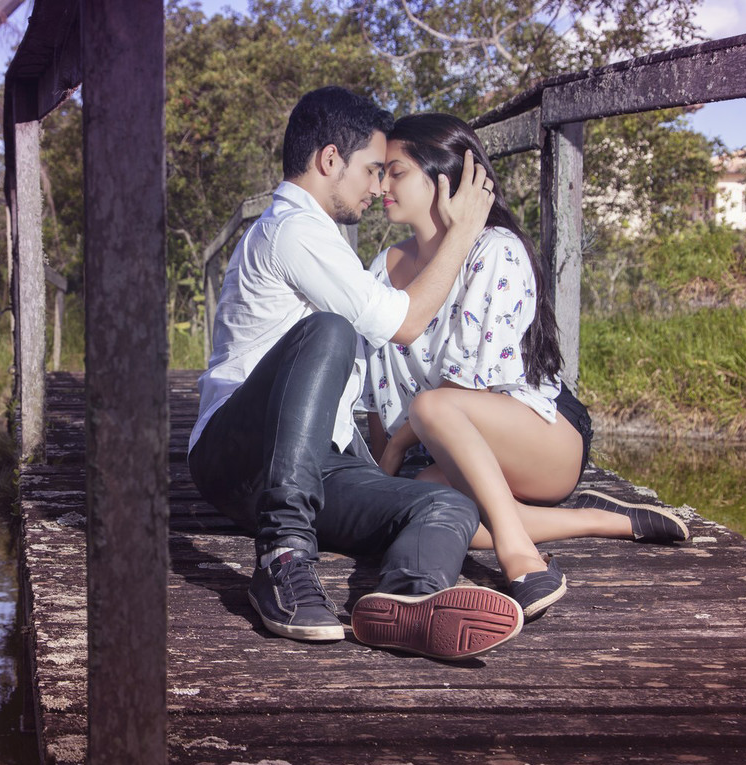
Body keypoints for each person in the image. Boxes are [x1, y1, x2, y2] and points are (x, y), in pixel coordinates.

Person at [188, 87, 524, 661]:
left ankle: (410, 599)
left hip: (316, 461)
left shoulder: (325, 242)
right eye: (371, 170)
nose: (378, 187)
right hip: (239, 452)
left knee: (446, 506)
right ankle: (282, 557)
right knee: (331, 330)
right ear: (328, 161)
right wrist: (464, 231)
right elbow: (406, 322)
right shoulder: (292, 230)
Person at [362, 113, 689, 620]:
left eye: (396, 171)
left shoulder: (496, 250)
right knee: (425, 503)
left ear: (444, 177)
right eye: (380, 171)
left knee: (433, 406)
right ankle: (595, 520)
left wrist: (398, 446)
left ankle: (521, 556)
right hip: (450, 452)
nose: (381, 184)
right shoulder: (381, 268)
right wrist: (382, 475)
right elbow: (377, 384)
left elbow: (472, 391)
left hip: (540, 432)